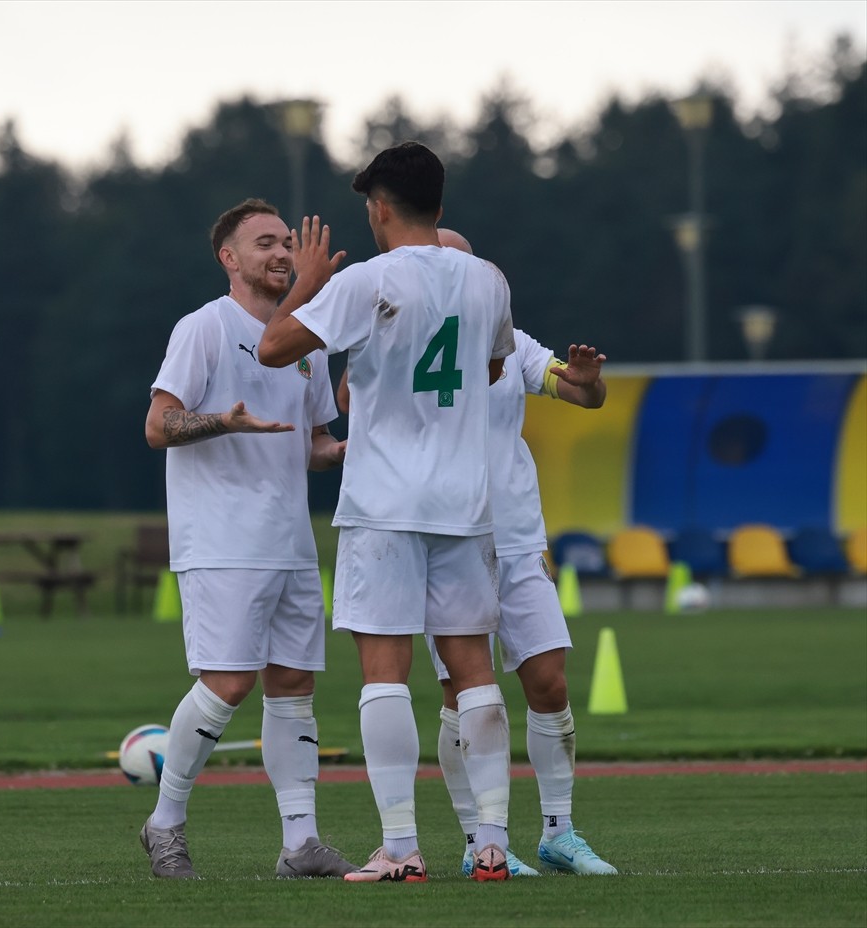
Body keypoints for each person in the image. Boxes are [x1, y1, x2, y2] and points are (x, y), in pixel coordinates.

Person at [259, 142, 517, 883]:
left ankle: (401, 846)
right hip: (464, 500)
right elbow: (491, 366)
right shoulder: (487, 280)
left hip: (383, 502)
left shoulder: (370, 279)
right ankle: (491, 843)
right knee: (472, 670)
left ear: (378, 207)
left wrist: (305, 285)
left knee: (384, 673)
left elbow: (274, 348)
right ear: (439, 204)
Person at [339, 228, 618, 878]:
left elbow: (579, 391)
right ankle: (478, 843)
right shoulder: (394, 339)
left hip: (518, 539)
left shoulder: (511, 343)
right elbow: (348, 403)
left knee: (548, 681)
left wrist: (587, 382)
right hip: (446, 537)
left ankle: (559, 832)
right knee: (459, 693)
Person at [139, 198, 353, 881]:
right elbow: (158, 425)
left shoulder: (304, 343)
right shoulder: (204, 328)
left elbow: (313, 444)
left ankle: (300, 843)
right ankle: (164, 823)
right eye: (264, 242)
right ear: (229, 259)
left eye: (286, 241)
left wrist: (351, 448)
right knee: (228, 682)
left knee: (292, 685)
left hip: (288, 540)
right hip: (221, 540)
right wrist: (223, 422)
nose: (282, 252)